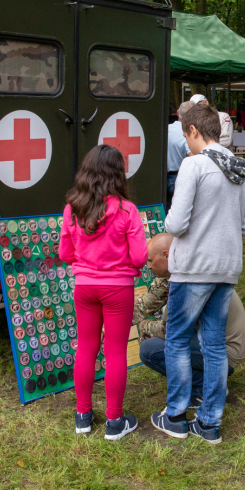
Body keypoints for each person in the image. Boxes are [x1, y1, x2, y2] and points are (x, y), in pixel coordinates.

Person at [151, 103, 245, 444]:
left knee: (176, 341)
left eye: (185, 137)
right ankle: (209, 423)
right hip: (227, 267)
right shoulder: (238, 165)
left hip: (194, 268)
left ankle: (176, 415)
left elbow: (175, 223)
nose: (186, 144)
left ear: (194, 131)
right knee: (214, 345)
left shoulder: (193, 165)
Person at [60, 145, 149, 441]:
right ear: (118, 174)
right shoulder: (127, 211)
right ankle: (114, 421)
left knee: (85, 349)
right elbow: (138, 258)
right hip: (118, 290)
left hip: (85, 288)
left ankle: (82, 416)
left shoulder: (72, 208)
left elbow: (64, 253)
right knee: (115, 353)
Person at [135, 233, 245, 405]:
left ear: (166, 255)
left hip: (225, 351)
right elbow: (144, 306)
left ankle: (203, 388)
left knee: (149, 350)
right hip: (218, 344)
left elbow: (171, 331)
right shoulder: (182, 270)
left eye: (150, 261)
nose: (148, 266)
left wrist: (146, 327)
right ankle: (211, 381)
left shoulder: (188, 281)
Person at [167, 101, 194, 209]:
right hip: (178, 178)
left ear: (178, 112)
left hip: (163, 178)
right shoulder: (188, 134)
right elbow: (193, 156)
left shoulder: (166, 128)